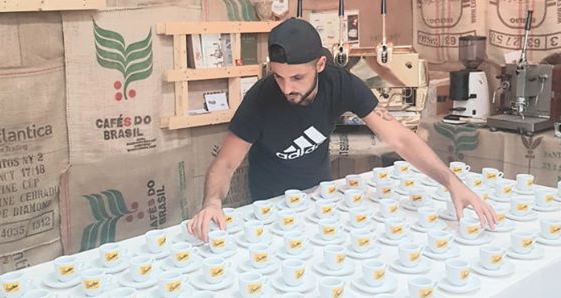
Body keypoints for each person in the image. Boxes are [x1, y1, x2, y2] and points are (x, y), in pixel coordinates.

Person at [188, 18, 496, 240]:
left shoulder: (341, 84)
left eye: (297, 78)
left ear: (320, 65)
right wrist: (212, 202)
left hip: (320, 197)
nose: (286, 88)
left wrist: (451, 183)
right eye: (279, 77)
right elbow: (225, 163)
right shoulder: (260, 100)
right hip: (271, 207)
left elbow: (400, 138)